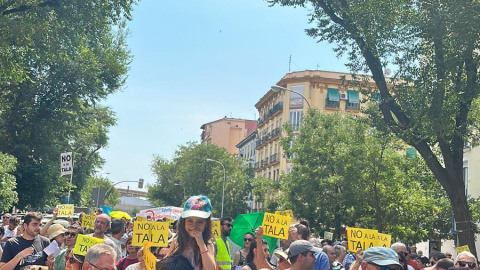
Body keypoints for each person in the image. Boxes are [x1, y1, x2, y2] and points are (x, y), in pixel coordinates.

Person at [167, 195, 216, 270]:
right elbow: (166, 263)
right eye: (190, 221)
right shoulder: (177, 242)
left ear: (206, 224)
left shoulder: (208, 244)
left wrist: (201, 244)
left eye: (200, 222)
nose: (194, 226)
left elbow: (210, 268)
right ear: (184, 222)